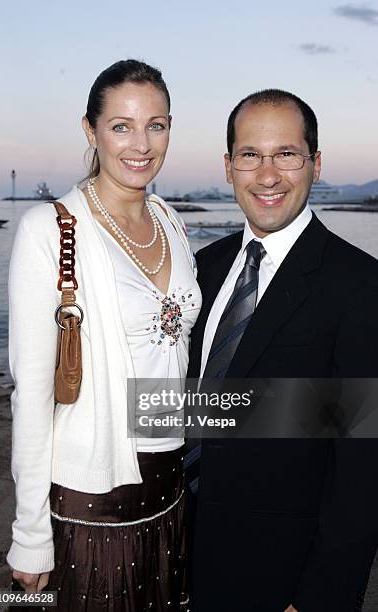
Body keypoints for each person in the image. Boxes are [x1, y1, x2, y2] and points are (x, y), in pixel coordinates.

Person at [7, 59, 201, 611]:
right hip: (93, 498)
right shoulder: (51, 229)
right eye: (121, 126)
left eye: (156, 124)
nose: (141, 144)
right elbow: (34, 392)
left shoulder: (170, 220)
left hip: (170, 486)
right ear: (90, 130)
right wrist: (30, 533)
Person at [186, 89, 378, 612]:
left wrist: (318, 597)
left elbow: (362, 471)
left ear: (315, 164)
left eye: (286, 154)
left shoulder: (360, 286)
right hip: (179, 557)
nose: (267, 175)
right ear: (228, 167)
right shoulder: (199, 269)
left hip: (281, 576)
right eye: (250, 155)